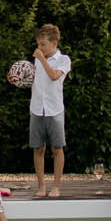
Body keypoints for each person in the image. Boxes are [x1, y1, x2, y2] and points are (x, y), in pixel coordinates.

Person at [28, 24, 73, 198]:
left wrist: (42, 59)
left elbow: (54, 76)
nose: (40, 48)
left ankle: (56, 186)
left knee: (57, 148)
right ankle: (41, 186)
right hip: (37, 108)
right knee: (38, 148)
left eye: (43, 44)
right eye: (38, 44)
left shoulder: (64, 60)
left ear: (54, 43)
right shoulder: (37, 60)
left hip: (55, 110)